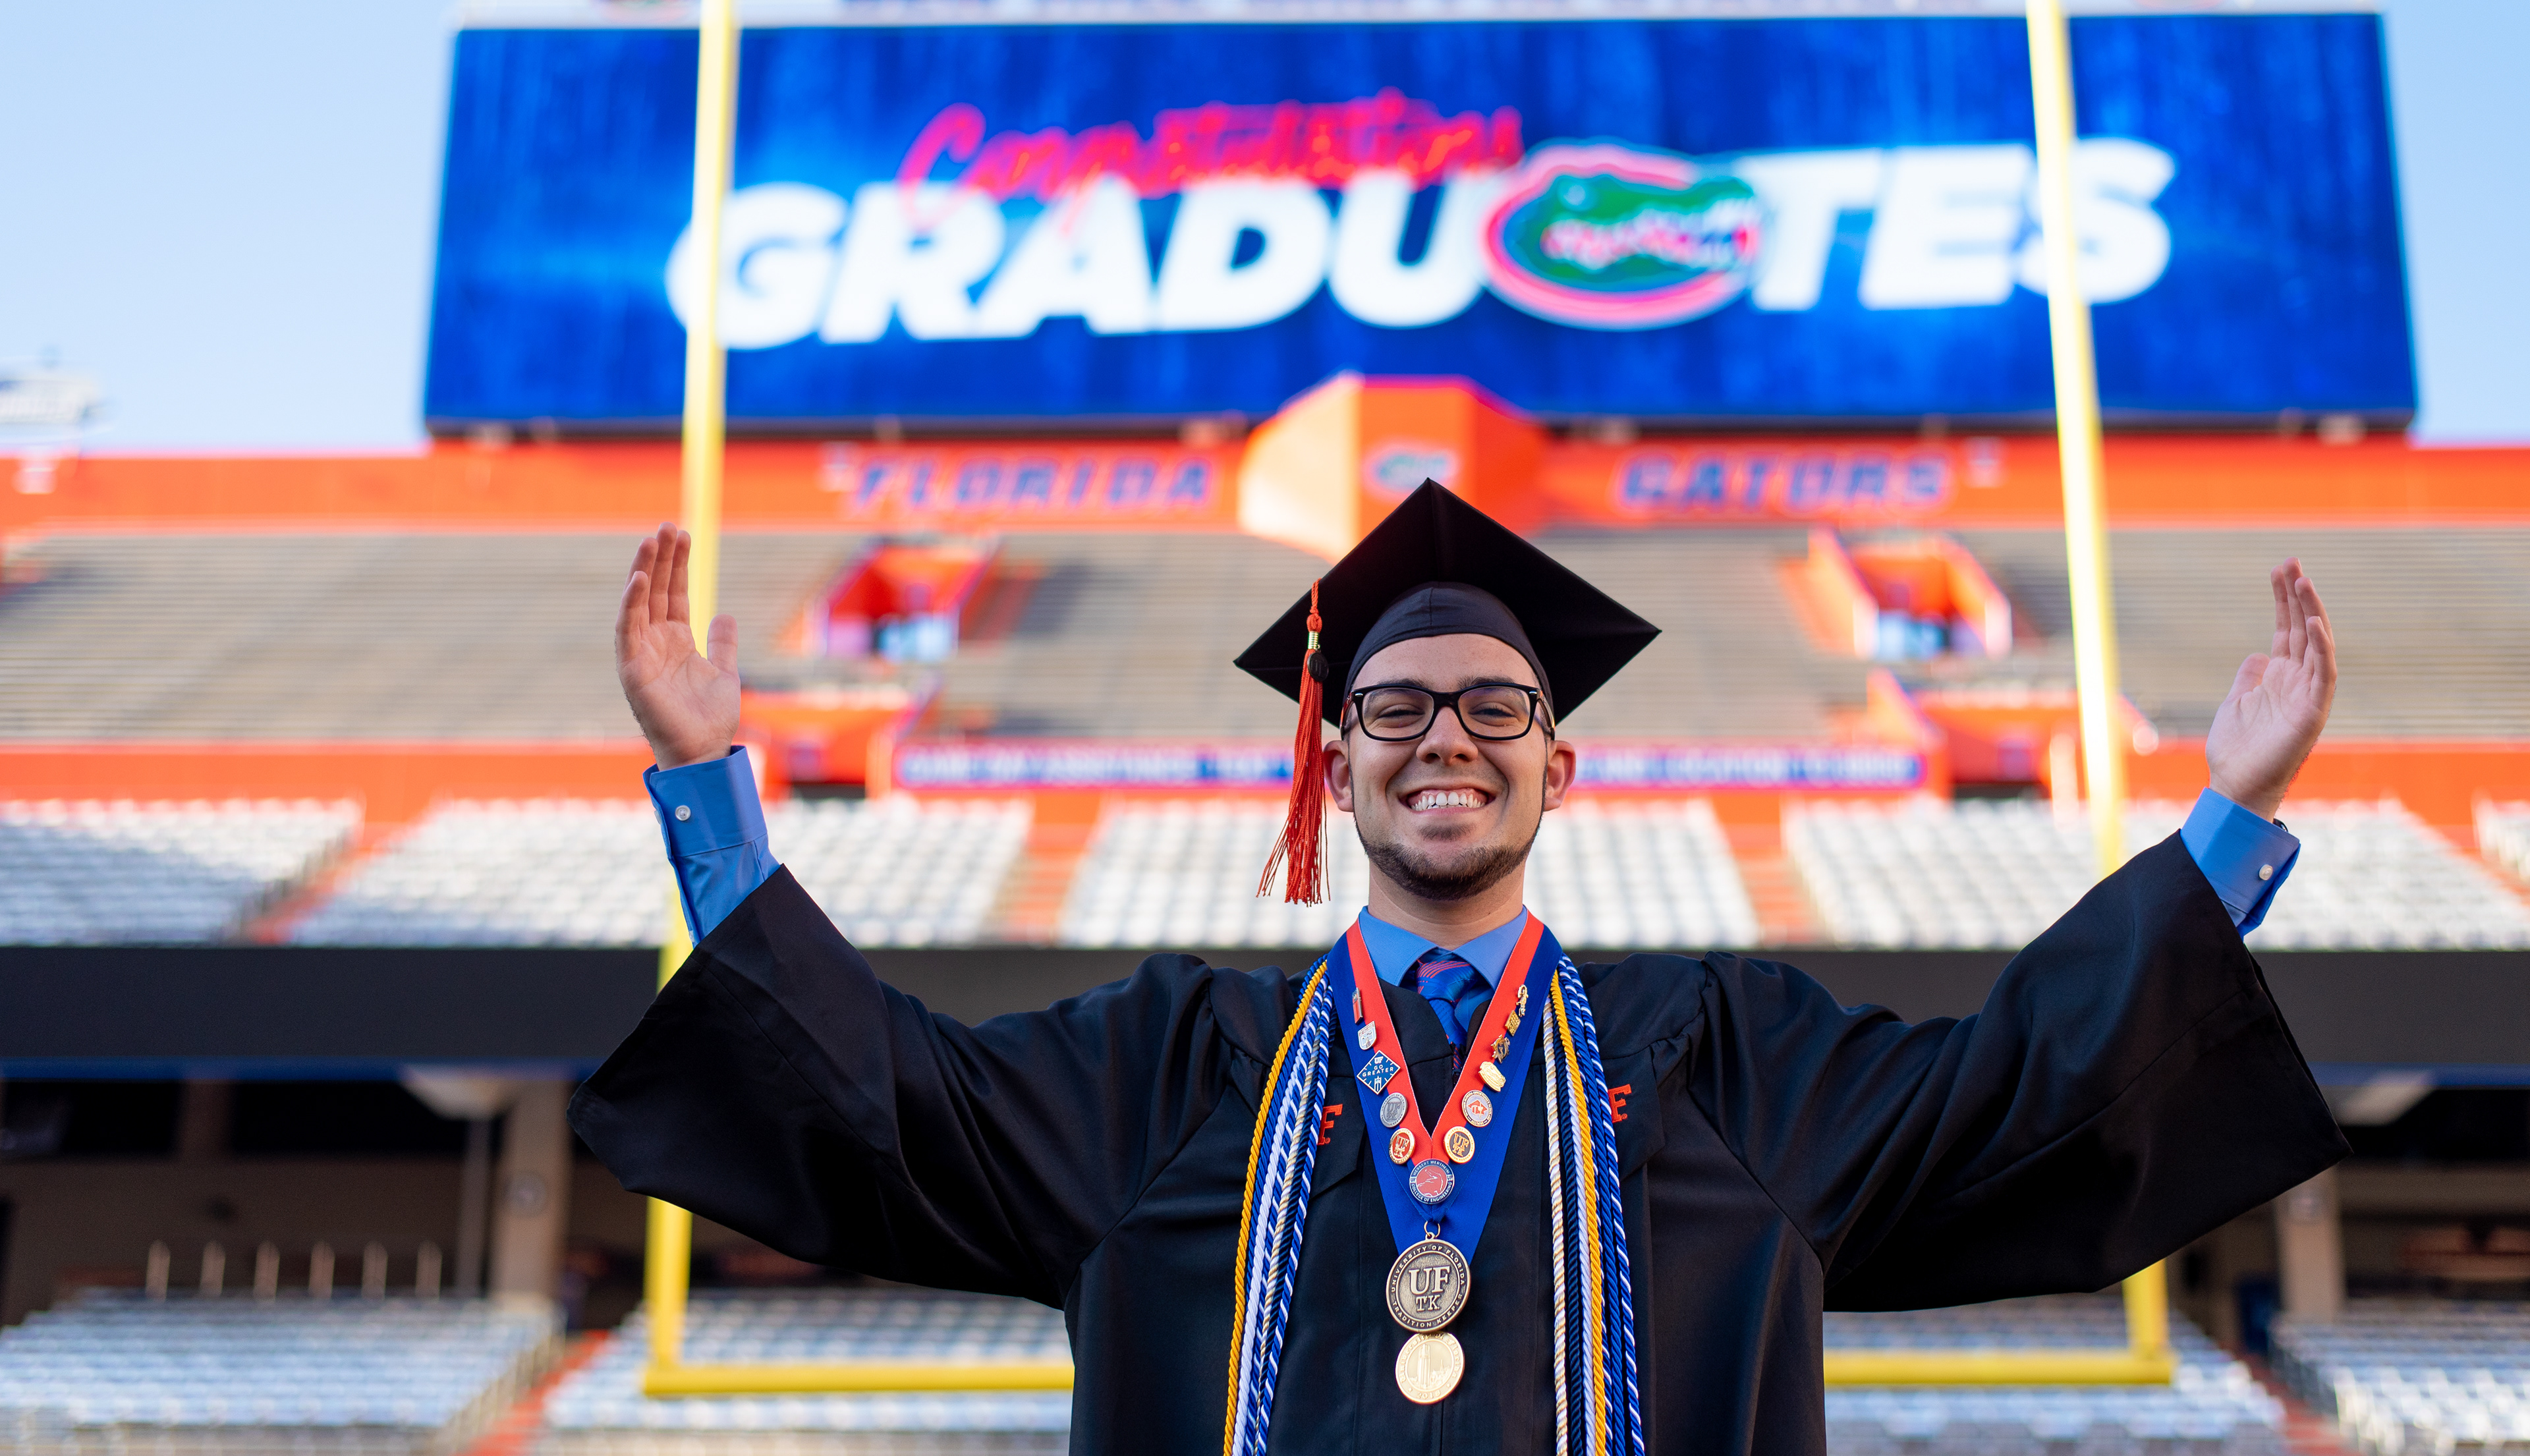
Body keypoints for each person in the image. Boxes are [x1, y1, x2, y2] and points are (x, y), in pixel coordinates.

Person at [573, 481, 2347, 1456]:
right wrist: (713, 792)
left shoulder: (1719, 1059)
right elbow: (889, 1096)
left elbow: (2010, 1093)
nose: (1447, 738)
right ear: (1335, 761)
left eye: (1498, 707)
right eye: (1398, 707)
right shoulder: (1177, 1069)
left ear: (1559, 767)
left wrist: (2228, 822)